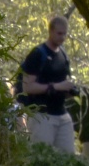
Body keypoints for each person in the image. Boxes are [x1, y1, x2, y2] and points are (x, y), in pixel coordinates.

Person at [20, 16, 78, 153]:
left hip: (62, 114)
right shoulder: (38, 54)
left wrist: (69, 90)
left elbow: (62, 82)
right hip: (42, 115)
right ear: (51, 31)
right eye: (59, 33)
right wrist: (55, 87)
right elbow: (27, 87)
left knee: (68, 158)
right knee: (42, 156)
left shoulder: (63, 54)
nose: (62, 37)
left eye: (65, 34)